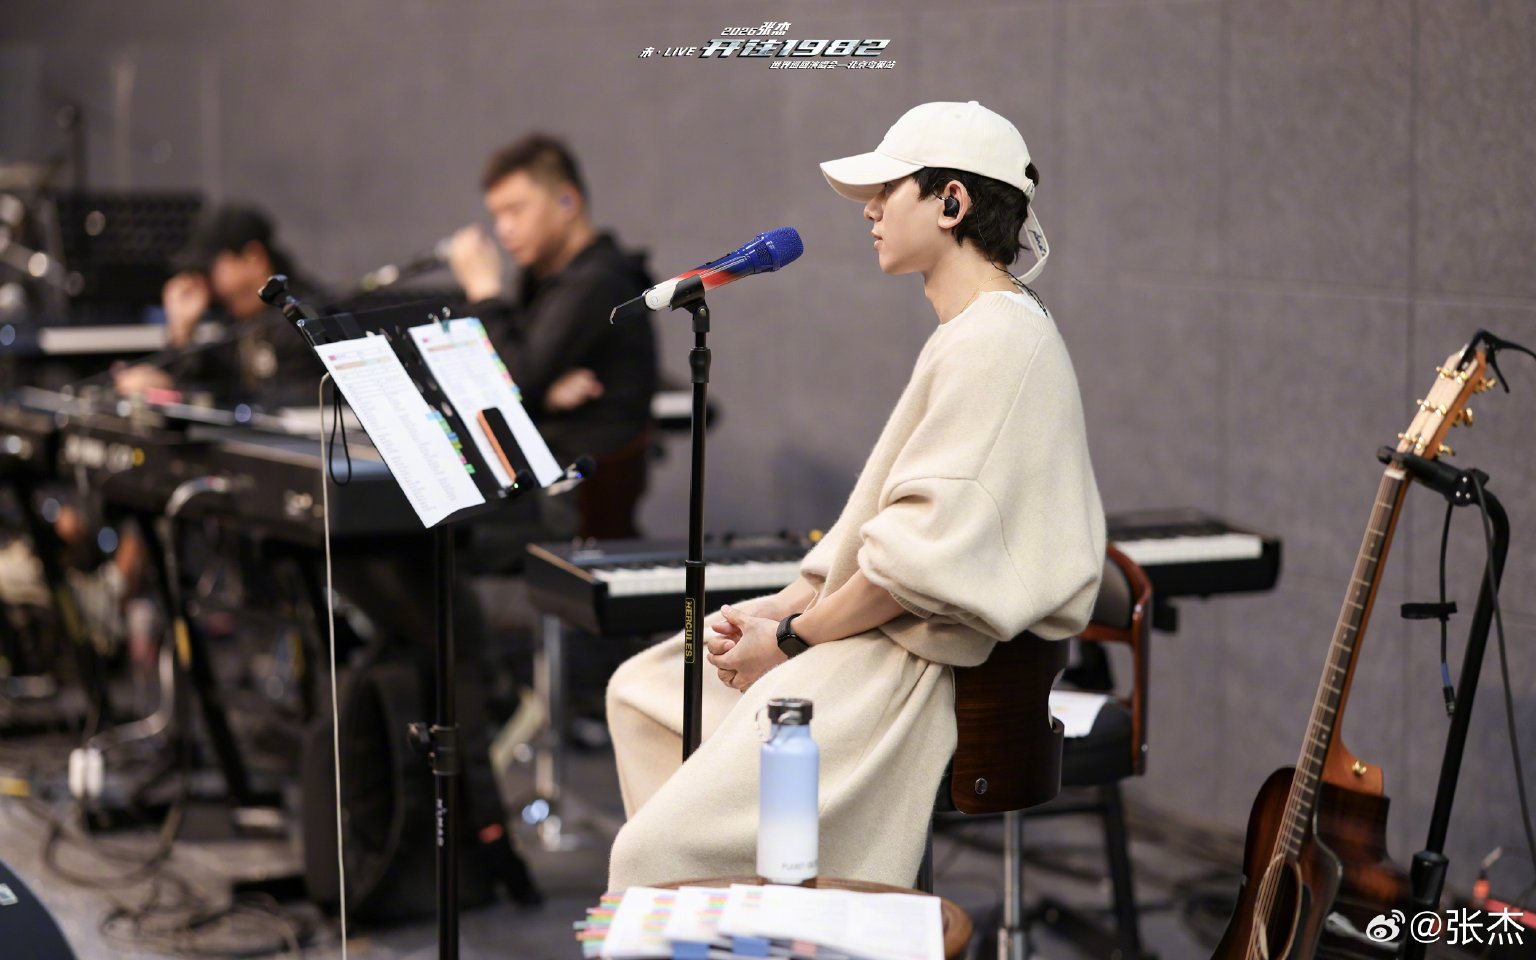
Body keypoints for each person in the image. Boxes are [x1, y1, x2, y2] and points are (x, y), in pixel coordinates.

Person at [604, 101, 1106, 889]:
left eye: (886, 190)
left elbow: (913, 568)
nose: (869, 211)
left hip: (913, 666)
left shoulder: (997, 342)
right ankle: (747, 905)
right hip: (879, 636)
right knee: (643, 691)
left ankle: (733, 892)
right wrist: (776, 610)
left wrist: (789, 638)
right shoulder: (975, 331)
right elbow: (892, 538)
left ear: (951, 202)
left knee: (650, 855)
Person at [448, 134, 657, 546]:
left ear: (567, 201)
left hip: (566, 501)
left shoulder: (599, 280)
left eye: (515, 210)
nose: (503, 229)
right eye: (496, 215)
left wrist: (484, 292)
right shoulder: (543, 279)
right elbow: (517, 378)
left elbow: (508, 381)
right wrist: (543, 392)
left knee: (409, 539)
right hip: (535, 481)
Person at [112, 205, 326, 407]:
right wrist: (181, 334)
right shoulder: (234, 321)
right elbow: (208, 381)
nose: (202, 284)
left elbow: (288, 402)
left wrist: (177, 391)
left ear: (253, 258)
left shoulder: (304, 318)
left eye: (208, 270)